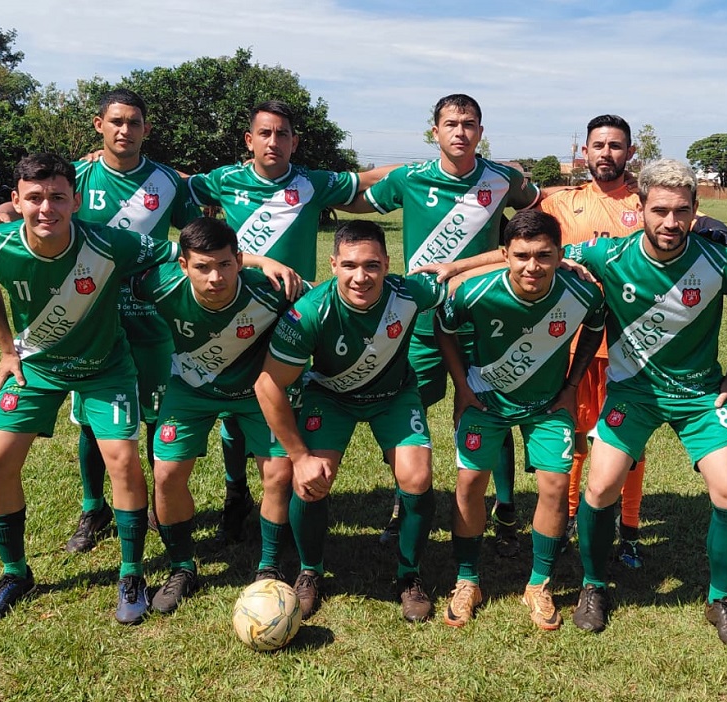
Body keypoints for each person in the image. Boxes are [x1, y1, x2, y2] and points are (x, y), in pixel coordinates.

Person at [0, 90, 290, 554]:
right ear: (98, 125)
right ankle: (93, 507)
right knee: (89, 417)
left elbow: (196, 240)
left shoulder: (168, 181)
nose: (125, 131)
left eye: (135, 123)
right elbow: (38, 202)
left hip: (152, 315)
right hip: (88, 316)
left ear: (146, 130)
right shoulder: (75, 176)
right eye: (116, 122)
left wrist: (247, 261)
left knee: (150, 418)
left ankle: (151, 507)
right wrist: (6, 211)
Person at [564, 159, 727, 648]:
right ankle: (593, 586)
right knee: (599, 487)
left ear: (696, 211)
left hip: (700, 395)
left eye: (681, 211)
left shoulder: (720, 262)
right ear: (641, 208)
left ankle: (720, 599)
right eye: (660, 210)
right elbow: (535, 254)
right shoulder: (609, 256)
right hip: (632, 394)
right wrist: (458, 269)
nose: (670, 223)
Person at [0, 153, 179, 624]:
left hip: (107, 369)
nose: (47, 208)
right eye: (35, 198)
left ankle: (131, 573)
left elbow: (182, 254)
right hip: (36, 369)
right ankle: (15, 573)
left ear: (76, 201)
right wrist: (7, 347)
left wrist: (260, 260)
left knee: (123, 461)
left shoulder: (109, 243)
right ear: (15, 201)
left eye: (58, 197)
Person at [186, 100, 396, 545]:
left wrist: (428, 166)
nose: (274, 142)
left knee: (283, 402)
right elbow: (177, 184)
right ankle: (235, 494)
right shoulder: (225, 180)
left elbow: (367, 179)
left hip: (293, 317)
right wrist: (94, 161)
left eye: (283, 134)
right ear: (249, 139)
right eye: (265, 133)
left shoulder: (312, 182)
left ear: (294, 142)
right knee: (234, 408)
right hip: (236, 310)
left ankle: (284, 488)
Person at [542, 115, 727, 569]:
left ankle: (628, 527)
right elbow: (529, 242)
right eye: (598, 145)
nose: (606, 153)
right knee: (572, 437)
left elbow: (693, 217)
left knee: (629, 448)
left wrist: (718, 225)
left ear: (630, 153)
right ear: (585, 151)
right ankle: (574, 518)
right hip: (571, 343)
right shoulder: (561, 203)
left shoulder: (647, 200)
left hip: (631, 353)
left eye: (616, 146)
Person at [352, 93, 542, 555]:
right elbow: (359, 202)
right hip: (419, 321)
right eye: (451, 123)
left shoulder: (503, 179)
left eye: (470, 123)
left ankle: (506, 507)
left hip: (484, 318)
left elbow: (539, 207)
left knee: (489, 410)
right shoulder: (411, 178)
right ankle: (404, 501)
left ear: (481, 131)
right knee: (404, 409)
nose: (460, 131)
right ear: (434, 132)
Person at [254, 220, 447, 622]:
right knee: (311, 481)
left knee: (417, 477)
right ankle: (310, 570)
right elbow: (267, 385)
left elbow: (466, 277)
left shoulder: (409, 292)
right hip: (332, 397)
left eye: (372, 266)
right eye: (350, 266)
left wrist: (552, 265)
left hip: (394, 396)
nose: (361, 277)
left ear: (388, 264)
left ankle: (408, 575)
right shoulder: (308, 313)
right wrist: (299, 456)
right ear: (333, 265)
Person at [438, 209, 605, 629]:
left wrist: (571, 386)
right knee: (469, 484)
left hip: (548, 404)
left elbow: (595, 328)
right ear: (505, 254)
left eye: (544, 255)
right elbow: (445, 329)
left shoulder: (582, 293)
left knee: (554, 485)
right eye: (522, 255)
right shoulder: (474, 293)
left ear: (559, 254)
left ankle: (539, 584)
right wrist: (462, 385)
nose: (533, 266)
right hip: (486, 402)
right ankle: (467, 579)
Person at [130, 217, 305, 613]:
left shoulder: (270, 289)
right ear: (183, 266)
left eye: (225, 265)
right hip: (190, 391)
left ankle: (269, 568)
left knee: (278, 473)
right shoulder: (159, 284)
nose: (215, 278)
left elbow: (326, 302)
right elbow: (109, 271)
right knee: (166, 474)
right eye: (202, 267)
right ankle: (182, 567)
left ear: (240, 261)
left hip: (256, 392)